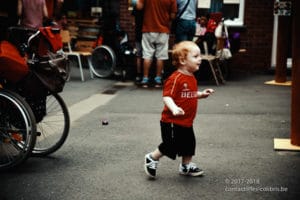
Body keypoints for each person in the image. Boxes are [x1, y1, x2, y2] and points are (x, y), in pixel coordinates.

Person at [144, 41, 215, 178]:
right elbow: (167, 97)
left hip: (186, 120)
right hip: (172, 120)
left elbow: (189, 95)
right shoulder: (175, 78)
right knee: (171, 145)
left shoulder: (191, 78)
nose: (200, 59)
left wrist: (201, 94)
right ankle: (152, 157)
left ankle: (186, 166)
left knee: (189, 143)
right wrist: (174, 108)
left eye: (200, 56)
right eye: (196, 56)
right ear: (183, 60)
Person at [136, 0, 177, 88]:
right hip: (163, 30)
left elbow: (139, 7)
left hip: (148, 28)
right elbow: (173, 16)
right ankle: (158, 79)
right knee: (160, 56)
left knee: (147, 55)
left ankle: (145, 78)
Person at [131, 5, 144, 84]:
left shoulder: (136, 5)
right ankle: (147, 75)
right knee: (148, 55)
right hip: (146, 32)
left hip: (138, 33)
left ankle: (139, 74)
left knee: (138, 55)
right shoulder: (148, 5)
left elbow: (133, 22)